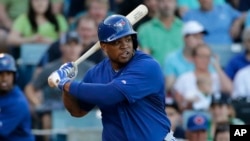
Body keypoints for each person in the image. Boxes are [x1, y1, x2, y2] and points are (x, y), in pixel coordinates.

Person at [49, 14, 175, 141]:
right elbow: (77, 111)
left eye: (128, 39)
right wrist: (66, 88)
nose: (125, 45)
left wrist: (65, 83)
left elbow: (111, 94)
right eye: (117, 42)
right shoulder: (96, 73)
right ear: (104, 46)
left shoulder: (147, 66)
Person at [24, 31, 95, 140]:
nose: (72, 48)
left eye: (76, 44)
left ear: (81, 47)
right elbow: (30, 88)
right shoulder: (51, 68)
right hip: (55, 108)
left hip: (83, 108)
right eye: (68, 44)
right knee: (46, 119)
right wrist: (37, 103)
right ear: (61, 47)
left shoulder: (90, 68)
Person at [137, 0, 184, 67]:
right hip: (156, 74)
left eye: (170, 1)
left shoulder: (184, 27)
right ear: (157, 4)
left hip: (181, 74)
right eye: (162, 1)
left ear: (176, 4)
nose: (166, 5)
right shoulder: (145, 30)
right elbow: (145, 59)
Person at [164, 20, 207, 92]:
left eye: (201, 37)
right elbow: (169, 86)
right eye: (196, 37)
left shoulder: (208, 58)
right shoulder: (171, 59)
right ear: (185, 38)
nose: (200, 41)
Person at [0, 53, 34, 141]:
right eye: (1, 74)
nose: (4, 78)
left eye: (8, 74)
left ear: (14, 76)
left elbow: (2, 131)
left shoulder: (18, 102)